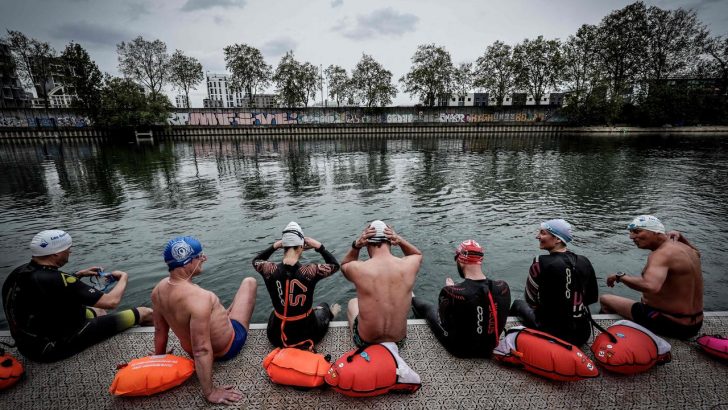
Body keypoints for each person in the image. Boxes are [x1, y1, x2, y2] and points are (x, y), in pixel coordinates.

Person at [1, 229, 152, 363]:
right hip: (53, 348)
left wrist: (78, 275)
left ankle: (101, 329)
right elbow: (111, 302)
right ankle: (157, 349)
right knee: (146, 312)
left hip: (28, 345)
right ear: (56, 253)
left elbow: (47, 286)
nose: (70, 252)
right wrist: (123, 277)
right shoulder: (57, 279)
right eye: (68, 249)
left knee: (98, 311)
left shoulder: (19, 272)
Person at [151, 236, 256, 405]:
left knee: (219, 308)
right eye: (200, 256)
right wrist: (210, 392)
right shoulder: (201, 298)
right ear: (187, 262)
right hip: (227, 347)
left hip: (190, 349)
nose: (204, 259)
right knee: (249, 282)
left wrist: (160, 357)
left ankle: (225, 312)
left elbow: (159, 330)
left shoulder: (158, 290)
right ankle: (227, 314)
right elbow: (201, 350)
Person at [600, 215, 703, 340]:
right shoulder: (686, 248)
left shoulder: (660, 254)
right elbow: (698, 253)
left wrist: (620, 277)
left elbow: (651, 286)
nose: (631, 237)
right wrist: (681, 238)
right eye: (631, 232)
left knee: (605, 300)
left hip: (670, 323)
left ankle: (611, 337)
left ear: (656, 232)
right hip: (695, 324)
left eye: (637, 231)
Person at [412, 239, 510, 358]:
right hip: (491, 347)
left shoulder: (452, 292)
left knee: (428, 308)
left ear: (460, 260)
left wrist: (450, 291)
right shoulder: (503, 287)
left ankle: (411, 296)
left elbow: (444, 323)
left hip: (460, 351)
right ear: (480, 260)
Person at [252, 221, 340, 350]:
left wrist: (274, 246)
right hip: (307, 335)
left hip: (275, 336)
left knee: (277, 309)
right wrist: (319, 247)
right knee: (324, 306)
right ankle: (330, 314)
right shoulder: (310, 271)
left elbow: (255, 261)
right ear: (301, 247)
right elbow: (335, 265)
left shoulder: (269, 269)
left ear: (283, 247)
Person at [510, 219, 598, 346]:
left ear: (557, 239)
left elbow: (530, 300)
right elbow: (591, 298)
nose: (537, 236)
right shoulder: (584, 261)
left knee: (518, 304)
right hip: (583, 334)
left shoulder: (539, 262)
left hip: (553, 333)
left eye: (542, 233)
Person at [342, 220, 422, 347]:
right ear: (391, 241)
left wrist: (356, 245)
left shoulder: (360, 269)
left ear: (367, 243)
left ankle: (356, 340)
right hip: (398, 342)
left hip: (366, 342)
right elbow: (417, 254)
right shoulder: (408, 265)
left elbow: (345, 264)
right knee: (408, 293)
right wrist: (400, 240)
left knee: (353, 303)